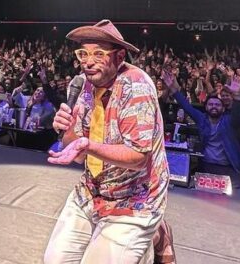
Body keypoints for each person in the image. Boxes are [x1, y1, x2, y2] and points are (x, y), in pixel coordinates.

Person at [45, 20, 168, 264]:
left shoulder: (136, 86)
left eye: (98, 54)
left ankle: (153, 234)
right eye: (83, 53)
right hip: (92, 192)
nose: (87, 62)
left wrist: (88, 145)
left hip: (134, 198)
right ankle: (148, 243)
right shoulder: (83, 85)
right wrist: (68, 131)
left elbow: (137, 158)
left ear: (119, 56)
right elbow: (78, 153)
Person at [162, 69, 240, 186]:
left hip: (228, 167)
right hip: (206, 165)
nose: (214, 106)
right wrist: (173, 89)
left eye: (217, 104)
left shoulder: (229, 120)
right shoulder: (202, 119)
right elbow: (186, 106)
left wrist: (236, 95)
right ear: (206, 108)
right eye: (211, 104)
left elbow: (238, 112)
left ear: (223, 108)